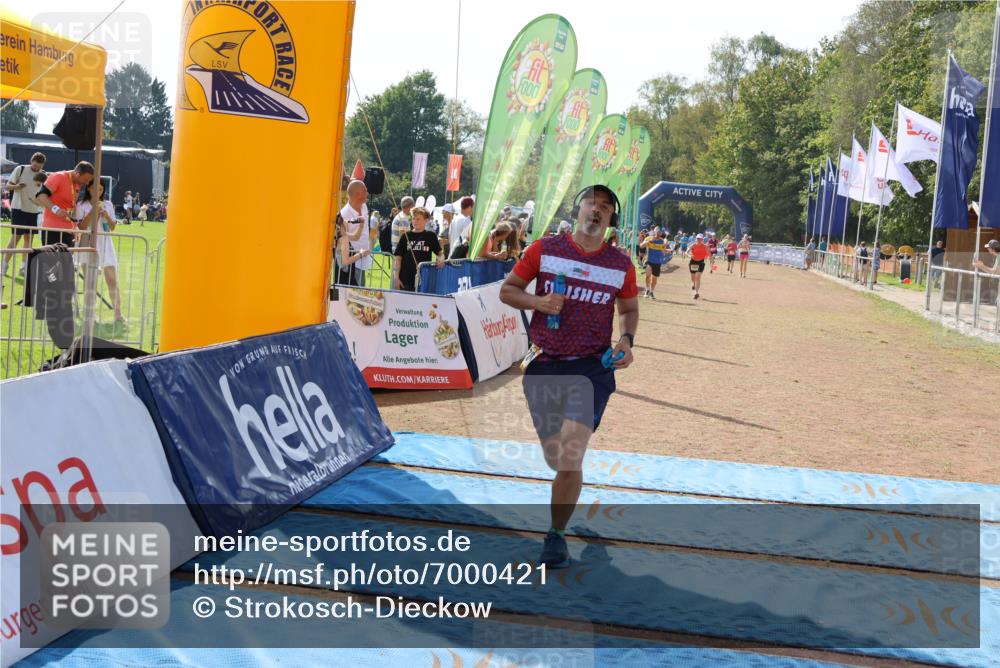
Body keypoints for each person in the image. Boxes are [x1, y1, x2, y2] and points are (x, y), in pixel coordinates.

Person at [499, 184, 638, 568]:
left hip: (592, 368)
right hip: (544, 364)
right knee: (556, 456)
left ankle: (555, 535)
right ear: (577, 211)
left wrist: (626, 339)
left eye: (605, 206)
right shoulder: (544, 249)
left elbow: (628, 308)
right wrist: (537, 302)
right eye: (591, 203)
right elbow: (508, 291)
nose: (597, 210)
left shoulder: (621, 264)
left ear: (611, 219)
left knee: (570, 455)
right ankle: (567, 494)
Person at [76, 181, 125, 324]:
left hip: (105, 244)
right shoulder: (81, 205)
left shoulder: (108, 204)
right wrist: (93, 212)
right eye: (94, 188)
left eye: (101, 189)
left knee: (112, 281)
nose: (97, 191)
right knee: (90, 283)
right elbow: (81, 226)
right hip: (88, 244)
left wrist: (106, 216)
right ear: (89, 189)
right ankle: (91, 314)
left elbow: (112, 227)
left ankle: (118, 314)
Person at [3, 152, 46, 277]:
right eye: (35, 166)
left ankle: (24, 266)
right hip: (19, 208)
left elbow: (42, 192)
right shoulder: (20, 169)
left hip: (33, 210)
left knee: (29, 239)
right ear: (31, 161)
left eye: (39, 167)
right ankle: (4, 265)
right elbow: (7, 187)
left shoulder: (43, 175)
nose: (36, 169)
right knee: (15, 238)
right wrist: (17, 186)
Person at [35, 161, 95, 247]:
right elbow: (40, 196)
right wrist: (56, 209)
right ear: (77, 174)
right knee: (52, 260)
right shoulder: (58, 177)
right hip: (53, 229)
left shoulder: (77, 184)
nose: (87, 183)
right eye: (86, 180)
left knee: (67, 260)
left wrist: (75, 228)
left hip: (68, 231)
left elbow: (71, 206)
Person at [393, 206, 444, 291]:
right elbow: (398, 258)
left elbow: (440, 253)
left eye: (418, 219)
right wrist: (396, 278)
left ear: (426, 220)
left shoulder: (430, 236)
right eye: (413, 219)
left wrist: (441, 259)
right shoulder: (405, 236)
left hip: (423, 280)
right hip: (405, 279)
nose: (415, 221)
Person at [340, 179, 377, 285]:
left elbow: (357, 235)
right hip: (351, 263)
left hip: (363, 259)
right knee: (355, 296)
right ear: (357, 194)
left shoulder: (364, 206)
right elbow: (344, 240)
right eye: (365, 191)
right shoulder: (344, 214)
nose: (367, 193)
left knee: (362, 293)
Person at [332, 213, 370, 286]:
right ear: (341, 225)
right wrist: (361, 254)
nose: (347, 222)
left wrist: (361, 225)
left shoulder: (337, 237)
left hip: (339, 276)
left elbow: (356, 237)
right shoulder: (344, 239)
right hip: (346, 278)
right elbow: (345, 261)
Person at [640, 228, 667, 299]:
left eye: (659, 233)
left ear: (661, 234)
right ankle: (647, 290)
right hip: (649, 260)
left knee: (654, 279)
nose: (658, 234)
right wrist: (649, 241)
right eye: (657, 232)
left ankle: (651, 291)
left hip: (658, 262)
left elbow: (664, 251)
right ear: (654, 232)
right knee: (648, 275)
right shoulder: (649, 238)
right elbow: (641, 245)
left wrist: (668, 251)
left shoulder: (662, 241)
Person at [689, 233, 711, 299]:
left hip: (701, 262)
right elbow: (687, 252)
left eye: (700, 239)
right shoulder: (693, 245)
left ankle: (696, 292)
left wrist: (711, 260)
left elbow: (709, 254)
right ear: (696, 239)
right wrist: (690, 255)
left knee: (698, 277)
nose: (698, 240)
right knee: (693, 278)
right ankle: (694, 283)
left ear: (702, 239)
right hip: (693, 262)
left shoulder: (705, 246)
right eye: (697, 238)